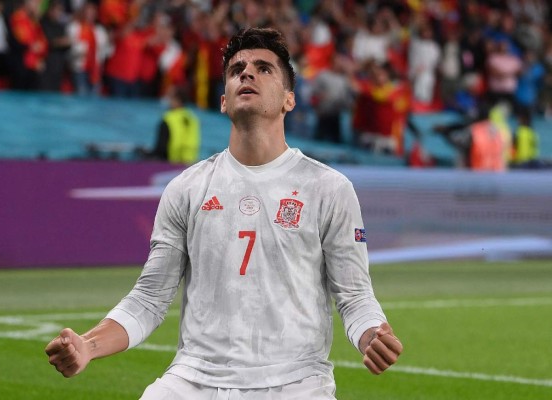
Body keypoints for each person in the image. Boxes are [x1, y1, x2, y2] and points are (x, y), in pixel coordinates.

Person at [45, 27, 403, 399]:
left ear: (289, 100)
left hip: (295, 383)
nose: (247, 73)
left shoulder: (329, 188)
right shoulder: (186, 188)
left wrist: (372, 334)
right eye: (237, 70)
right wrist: (88, 345)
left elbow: (354, 295)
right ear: (223, 101)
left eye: (264, 69)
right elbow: (149, 299)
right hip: (194, 380)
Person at [136, 85, 201, 164]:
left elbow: (161, 148)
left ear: (177, 100)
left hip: (171, 163)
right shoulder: (192, 118)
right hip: (190, 164)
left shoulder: (168, 118)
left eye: (170, 97)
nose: (168, 100)